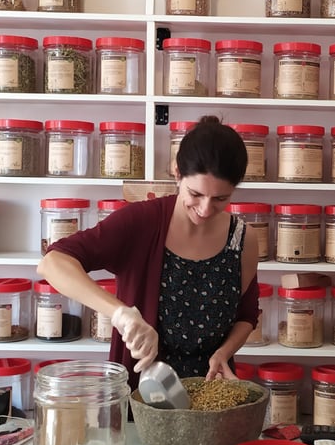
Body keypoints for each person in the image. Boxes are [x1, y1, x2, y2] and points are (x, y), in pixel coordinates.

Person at [36, 115, 260, 388]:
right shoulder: (142, 222)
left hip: (213, 393)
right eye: (196, 194)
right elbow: (53, 262)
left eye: (220, 199)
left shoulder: (242, 239)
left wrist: (224, 353)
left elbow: (246, 315)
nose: (205, 209)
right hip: (143, 394)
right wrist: (121, 315)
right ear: (177, 173)